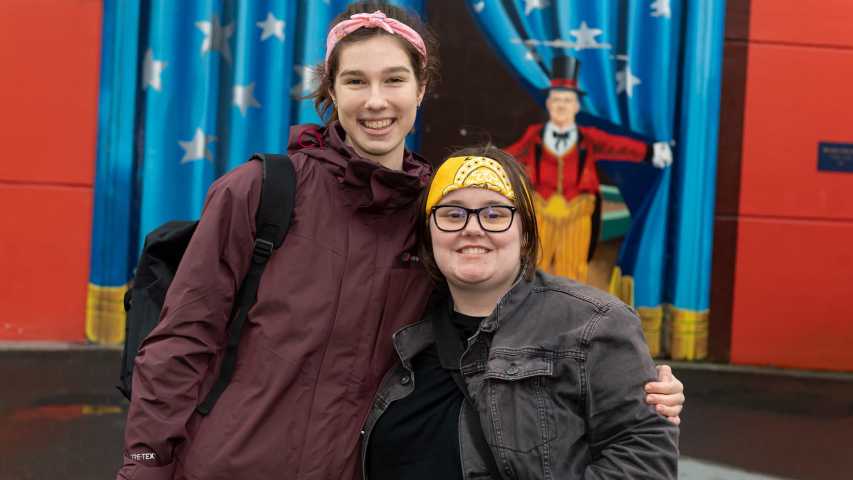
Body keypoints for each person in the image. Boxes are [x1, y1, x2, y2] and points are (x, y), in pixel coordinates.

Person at [118, 4, 683, 480]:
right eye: (355, 81)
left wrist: (627, 382)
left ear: (421, 88)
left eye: (393, 80)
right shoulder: (260, 190)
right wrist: (145, 465)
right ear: (330, 90)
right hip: (226, 467)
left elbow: (508, 311)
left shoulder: (436, 212)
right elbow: (181, 341)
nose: (375, 101)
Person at [362, 147, 679, 479]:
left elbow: (645, 460)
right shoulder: (396, 327)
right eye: (453, 214)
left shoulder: (595, 324)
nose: (472, 228)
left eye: (495, 214)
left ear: (526, 234)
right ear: (429, 234)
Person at [505, 56, 673, 282]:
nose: (561, 105)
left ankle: (569, 303)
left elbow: (618, 146)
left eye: (567, 100)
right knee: (533, 265)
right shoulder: (535, 135)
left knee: (572, 270)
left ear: (576, 106)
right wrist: (482, 162)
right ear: (548, 104)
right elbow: (509, 156)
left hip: (577, 212)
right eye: (556, 100)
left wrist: (650, 152)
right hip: (541, 211)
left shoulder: (588, 138)